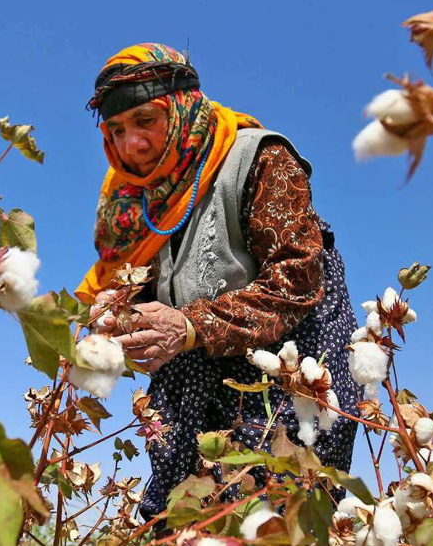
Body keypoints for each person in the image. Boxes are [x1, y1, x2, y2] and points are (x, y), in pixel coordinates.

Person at [75, 43, 361, 521]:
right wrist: (118, 310)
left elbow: (297, 280)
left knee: (269, 524)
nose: (130, 145)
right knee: (185, 526)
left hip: (279, 397)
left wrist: (189, 328)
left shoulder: (258, 157)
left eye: (145, 119)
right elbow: (150, 293)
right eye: (116, 130)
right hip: (189, 409)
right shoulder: (134, 203)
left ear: (183, 106)